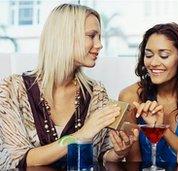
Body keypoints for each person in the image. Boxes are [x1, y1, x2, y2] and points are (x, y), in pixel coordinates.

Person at [0, 4, 137, 169]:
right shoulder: (12, 89)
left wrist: (118, 153)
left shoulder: (96, 92)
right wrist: (81, 134)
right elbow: (20, 159)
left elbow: (101, 155)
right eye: (91, 36)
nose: (99, 44)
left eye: (99, 37)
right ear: (64, 37)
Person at [119, 23, 178, 164]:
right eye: (148, 55)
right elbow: (134, 162)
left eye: (164, 55)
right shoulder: (130, 96)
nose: (153, 63)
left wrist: (161, 129)